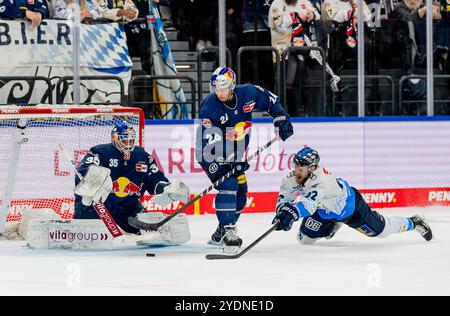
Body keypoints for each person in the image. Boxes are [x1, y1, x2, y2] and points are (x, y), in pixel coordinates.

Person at [195, 67, 294, 252]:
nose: (220, 93)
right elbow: (212, 145)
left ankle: (221, 231)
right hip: (209, 154)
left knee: (241, 190)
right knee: (229, 185)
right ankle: (227, 232)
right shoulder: (209, 106)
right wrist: (232, 159)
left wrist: (281, 118)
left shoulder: (248, 93)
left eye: (223, 89)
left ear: (232, 86)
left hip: (234, 152)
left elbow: (272, 101)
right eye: (216, 89)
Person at [273, 146, 433, 244]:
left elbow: (308, 204)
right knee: (304, 240)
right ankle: (333, 224)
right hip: (323, 211)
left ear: (313, 168)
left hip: (350, 209)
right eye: (296, 166)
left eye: (302, 168)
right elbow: (285, 197)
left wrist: (291, 213)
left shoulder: (322, 181)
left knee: (382, 231)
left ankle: (414, 222)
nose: (297, 172)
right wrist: (282, 213)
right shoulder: (290, 178)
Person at [74, 121, 190, 235]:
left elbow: (154, 179)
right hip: (99, 205)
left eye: (131, 140)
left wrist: (167, 189)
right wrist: (92, 182)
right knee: (87, 235)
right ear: (115, 139)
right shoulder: (101, 152)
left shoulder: (142, 156)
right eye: (125, 140)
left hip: (127, 207)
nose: (128, 144)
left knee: (154, 233)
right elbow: (84, 173)